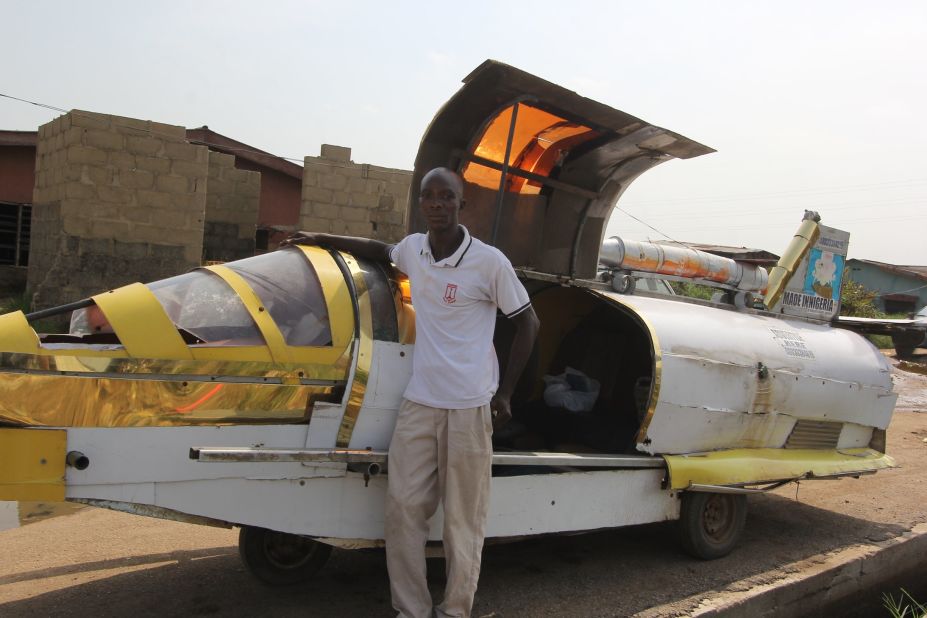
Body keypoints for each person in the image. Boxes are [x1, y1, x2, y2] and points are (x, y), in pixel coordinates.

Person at [283, 167, 539, 618]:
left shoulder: (489, 262)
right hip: (420, 402)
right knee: (403, 511)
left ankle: (455, 610)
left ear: (462, 204)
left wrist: (505, 395)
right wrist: (320, 237)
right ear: (421, 203)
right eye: (429, 197)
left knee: (463, 520)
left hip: (468, 406)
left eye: (447, 197)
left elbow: (528, 323)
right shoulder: (416, 250)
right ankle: (411, 610)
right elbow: (379, 250)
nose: (437, 205)